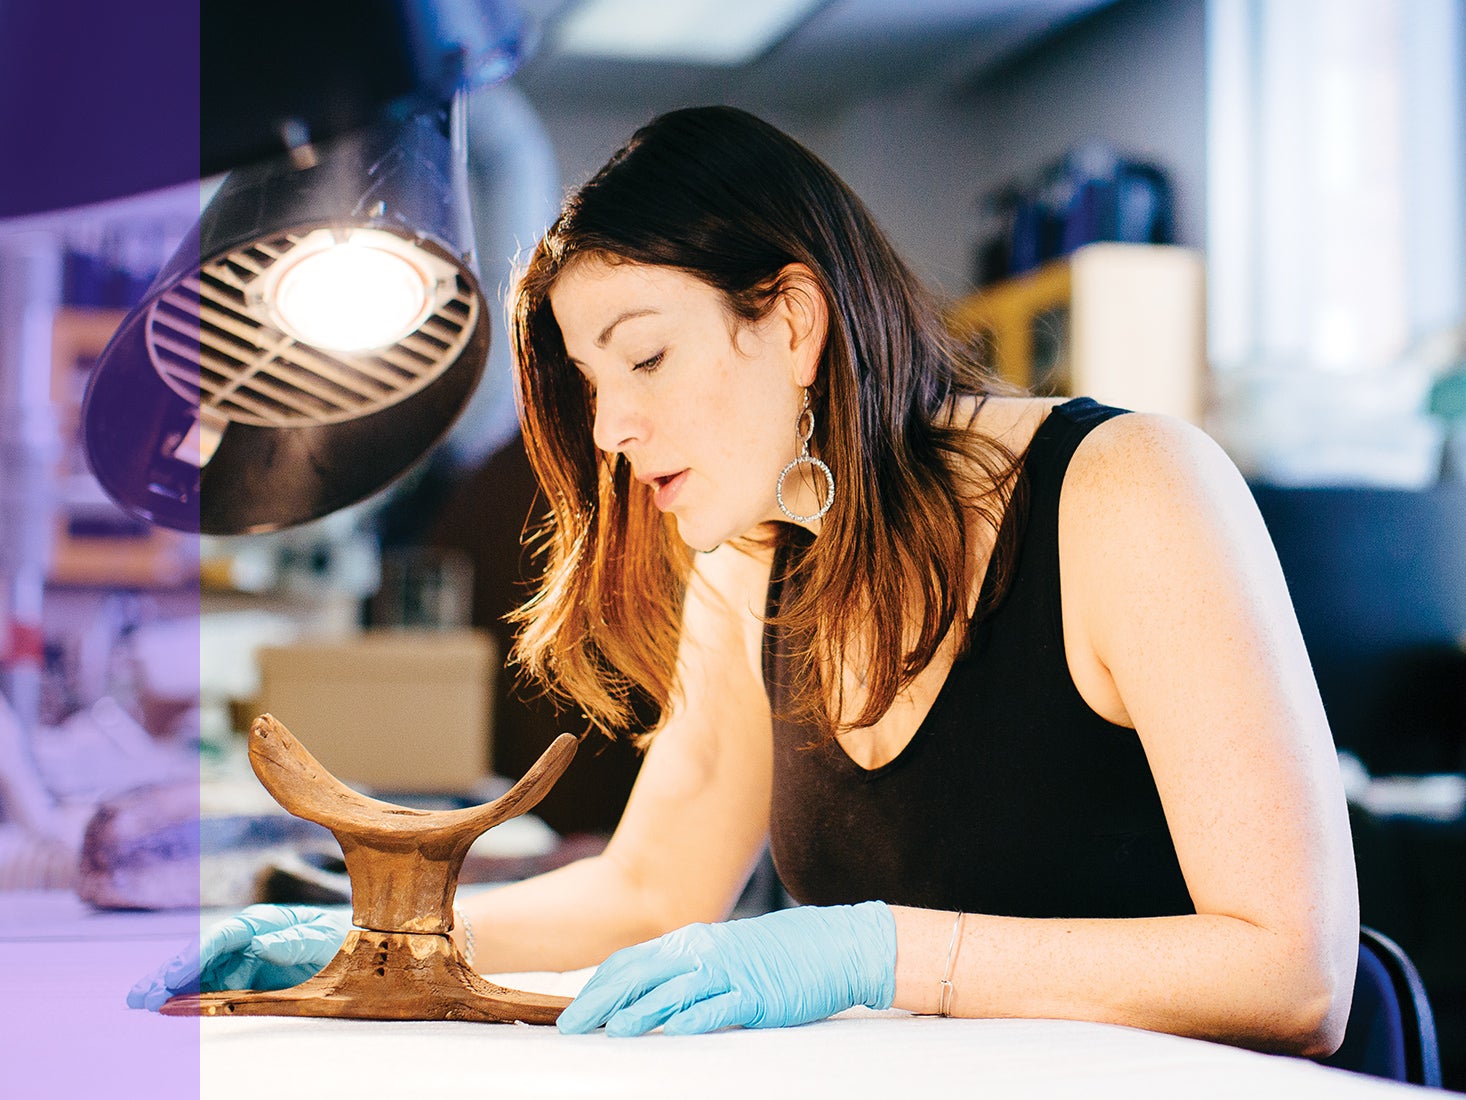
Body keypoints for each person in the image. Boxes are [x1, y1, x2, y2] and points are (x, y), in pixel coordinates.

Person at [130, 105, 1358, 1053]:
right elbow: (650, 890)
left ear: (790, 320)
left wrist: (880, 951)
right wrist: (371, 942)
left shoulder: (1128, 489)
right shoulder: (751, 551)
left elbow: (1296, 973)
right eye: (588, 381)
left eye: (645, 357)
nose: (607, 426)